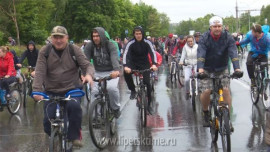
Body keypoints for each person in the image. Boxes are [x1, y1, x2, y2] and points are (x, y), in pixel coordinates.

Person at [32, 26, 94, 147]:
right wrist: (37, 90)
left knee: (74, 107)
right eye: (55, 37)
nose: (58, 40)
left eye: (61, 37)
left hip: (72, 89)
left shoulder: (74, 49)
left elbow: (87, 65)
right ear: (51, 38)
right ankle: (56, 136)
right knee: (47, 122)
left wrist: (88, 75)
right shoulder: (45, 51)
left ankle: (74, 136)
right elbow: (39, 71)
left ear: (66, 38)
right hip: (51, 90)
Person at [197, 16, 242, 127]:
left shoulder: (228, 37)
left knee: (226, 90)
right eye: (214, 26)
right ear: (210, 27)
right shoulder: (204, 38)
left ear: (222, 26)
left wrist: (237, 68)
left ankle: (228, 119)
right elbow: (201, 54)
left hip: (222, 68)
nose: (217, 28)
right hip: (207, 69)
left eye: (219, 26)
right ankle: (206, 112)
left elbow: (233, 53)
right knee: (207, 91)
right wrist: (200, 70)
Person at [84, 27, 121, 118]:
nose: (95, 38)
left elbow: (114, 58)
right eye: (93, 36)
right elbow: (85, 61)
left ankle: (115, 108)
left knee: (111, 88)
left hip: (111, 72)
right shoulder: (90, 46)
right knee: (94, 92)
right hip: (97, 72)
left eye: (97, 36)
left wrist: (116, 70)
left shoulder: (110, 45)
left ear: (102, 36)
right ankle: (96, 117)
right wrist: (84, 74)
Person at [123, 26, 158, 115]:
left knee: (148, 84)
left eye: (140, 34)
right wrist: (125, 66)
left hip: (144, 64)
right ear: (134, 34)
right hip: (133, 63)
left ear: (142, 34)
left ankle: (149, 105)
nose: (138, 35)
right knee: (126, 72)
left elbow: (152, 53)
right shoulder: (130, 43)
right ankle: (133, 90)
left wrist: (154, 64)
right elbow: (125, 54)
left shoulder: (147, 42)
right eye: (136, 34)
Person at [179, 35, 198, 100]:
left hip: (196, 64)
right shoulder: (185, 47)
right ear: (186, 42)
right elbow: (183, 55)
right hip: (188, 65)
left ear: (193, 41)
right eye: (188, 41)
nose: (190, 43)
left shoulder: (197, 46)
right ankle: (187, 90)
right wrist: (181, 61)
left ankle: (199, 89)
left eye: (191, 41)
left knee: (198, 78)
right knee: (187, 79)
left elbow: (201, 54)